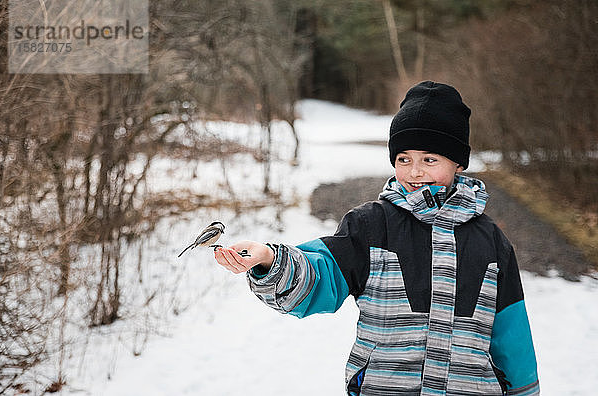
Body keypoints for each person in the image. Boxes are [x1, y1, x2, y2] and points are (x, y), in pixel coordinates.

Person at [213, 81, 540, 396]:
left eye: (429, 159)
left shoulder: (491, 242)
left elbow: (513, 338)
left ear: (458, 162)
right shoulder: (371, 226)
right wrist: (272, 260)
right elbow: (321, 273)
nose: (415, 172)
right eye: (404, 159)